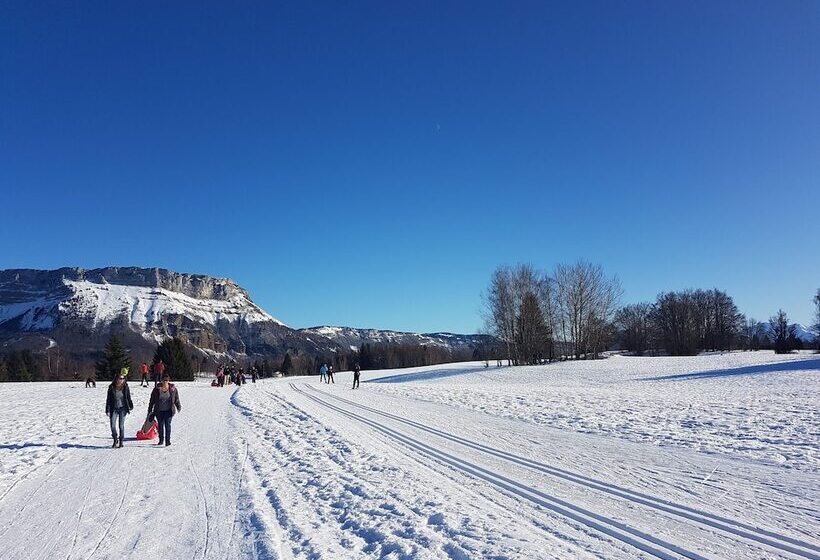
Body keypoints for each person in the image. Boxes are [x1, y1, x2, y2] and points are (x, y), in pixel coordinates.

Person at [147, 373, 181, 446]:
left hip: (169, 411)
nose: (165, 382)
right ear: (161, 380)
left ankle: (167, 441)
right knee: (160, 426)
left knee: (167, 425)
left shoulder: (172, 389)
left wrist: (178, 406)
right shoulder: (157, 389)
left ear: (168, 381)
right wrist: (150, 410)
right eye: (164, 380)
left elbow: (176, 399)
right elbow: (152, 400)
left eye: (166, 380)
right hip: (159, 411)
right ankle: (161, 440)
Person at [105, 368, 134, 448]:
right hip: (114, 408)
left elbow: (128, 397)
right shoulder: (111, 387)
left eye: (123, 378)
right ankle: (115, 439)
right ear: (116, 379)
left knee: (121, 425)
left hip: (123, 408)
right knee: (112, 426)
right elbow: (108, 399)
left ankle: (121, 440)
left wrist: (131, 405)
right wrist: (107, 409)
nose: (121, 380)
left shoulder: (125, 387)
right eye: (120, 378)